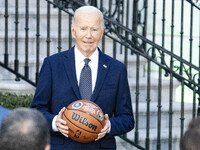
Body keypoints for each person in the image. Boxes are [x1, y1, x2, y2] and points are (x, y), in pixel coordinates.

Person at [31, 5, 134, 150]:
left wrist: (108, 126)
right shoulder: (53, 64)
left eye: (94, 29)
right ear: (73, 31)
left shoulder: (116, 69)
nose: (88, 35)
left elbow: (127, 119)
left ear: (102, 32)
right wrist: (55, 122)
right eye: (83, 28)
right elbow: (36, 110)